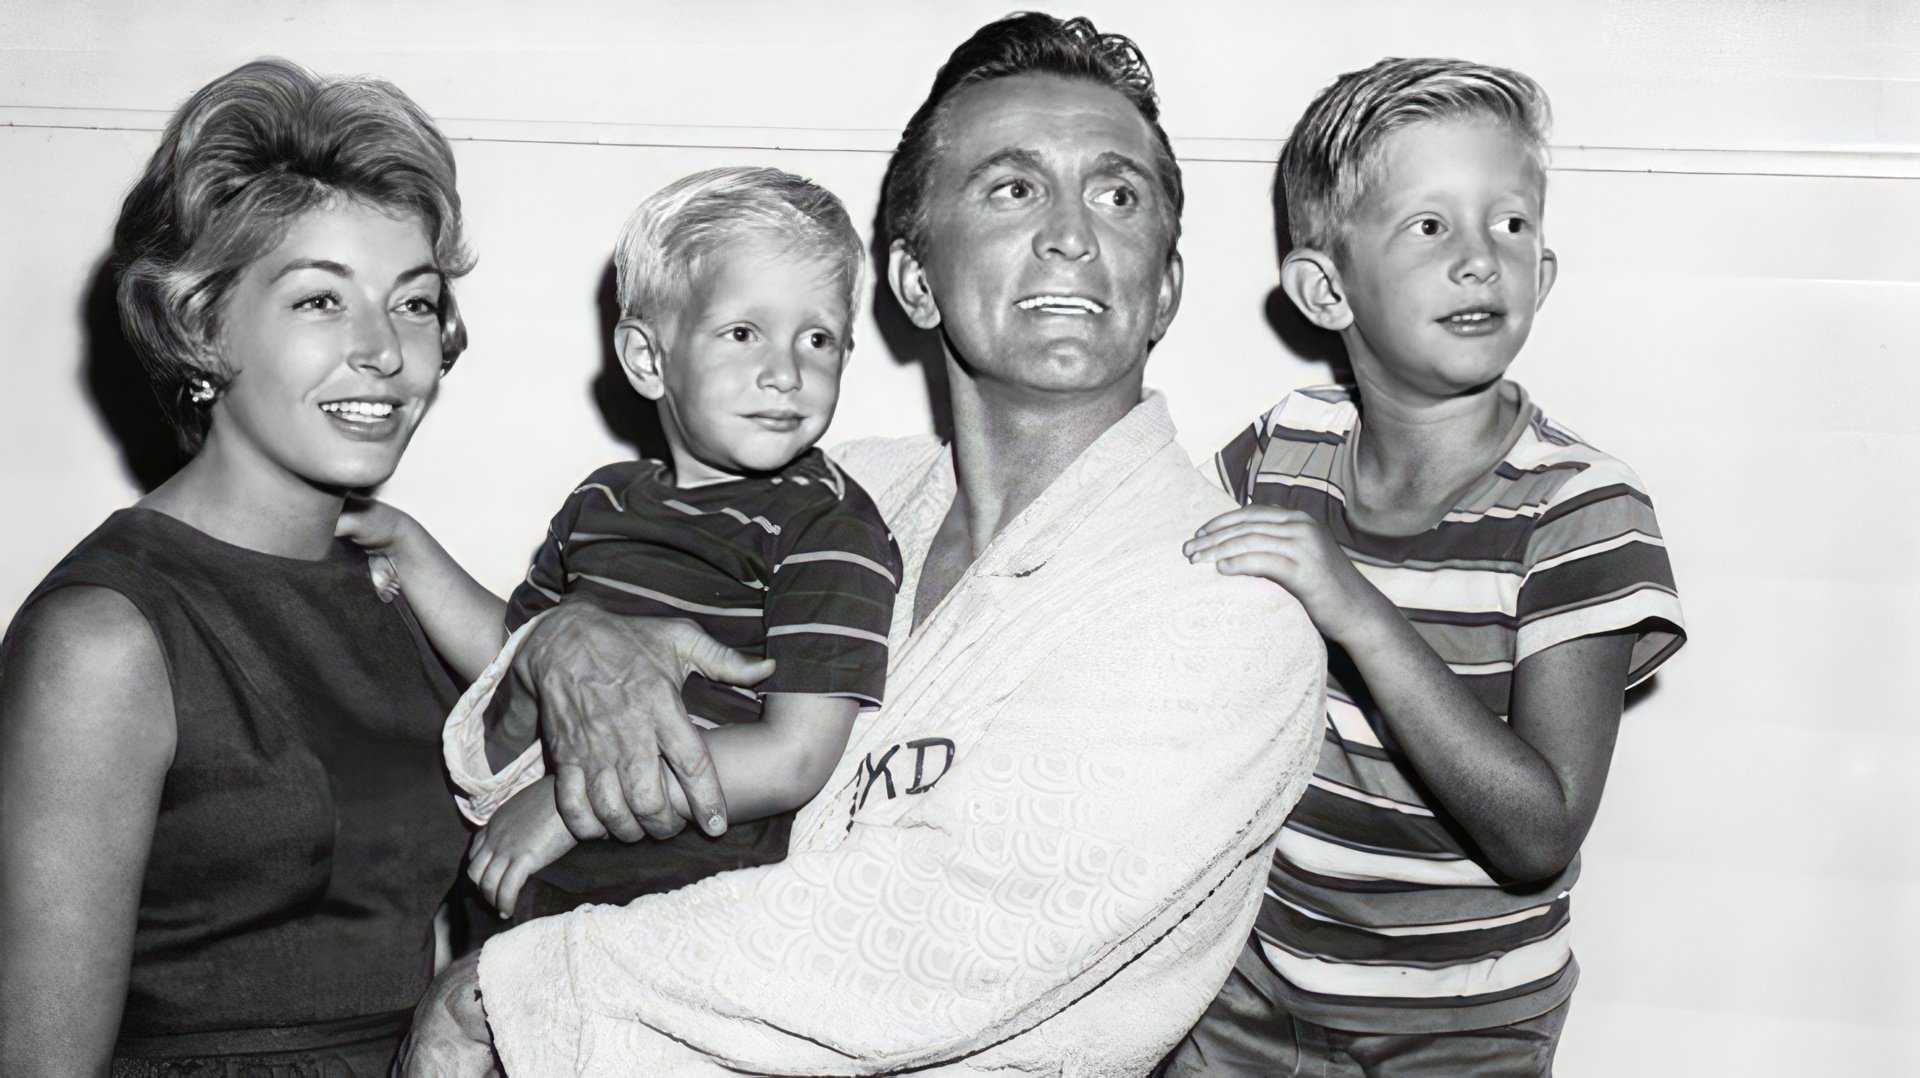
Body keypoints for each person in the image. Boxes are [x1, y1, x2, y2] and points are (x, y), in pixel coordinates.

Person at [398, 13, 1325, 1076]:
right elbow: (498, 779)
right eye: (1013, 187)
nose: (1075, 232)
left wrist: (504, 990)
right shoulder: (834, 496)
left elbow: (932, 936)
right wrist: (559, 648)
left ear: (1163, 285)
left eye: (1118, 195)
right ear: (914, 280)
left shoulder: (1224, 606)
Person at [1165, 58, 1687, 1076]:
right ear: (1326, 288)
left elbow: (1537, 833)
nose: (1482, 261)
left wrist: (1354, 607)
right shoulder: (1285, 446)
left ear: (1545, 272)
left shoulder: (1582, 506)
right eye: (1431, 225)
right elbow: (1153, 586)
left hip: (1463, 1030)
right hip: (1251, 984)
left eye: (1512, 224)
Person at [0, 59, 475, 1076]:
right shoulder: (106, 639)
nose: (384, 352)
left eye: (415, 303)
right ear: (201, 325)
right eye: (319, 302)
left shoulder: (403, 589)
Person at [345, 166, 902, 921]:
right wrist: (407, 545)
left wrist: (569, 806)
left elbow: (793, 758)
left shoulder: (829, 525)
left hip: (678, 894)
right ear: (648, 359)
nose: (786, 373)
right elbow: (514, 652)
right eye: (744, 333)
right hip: (527, 868)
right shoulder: (602, 498)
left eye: (818, 338)